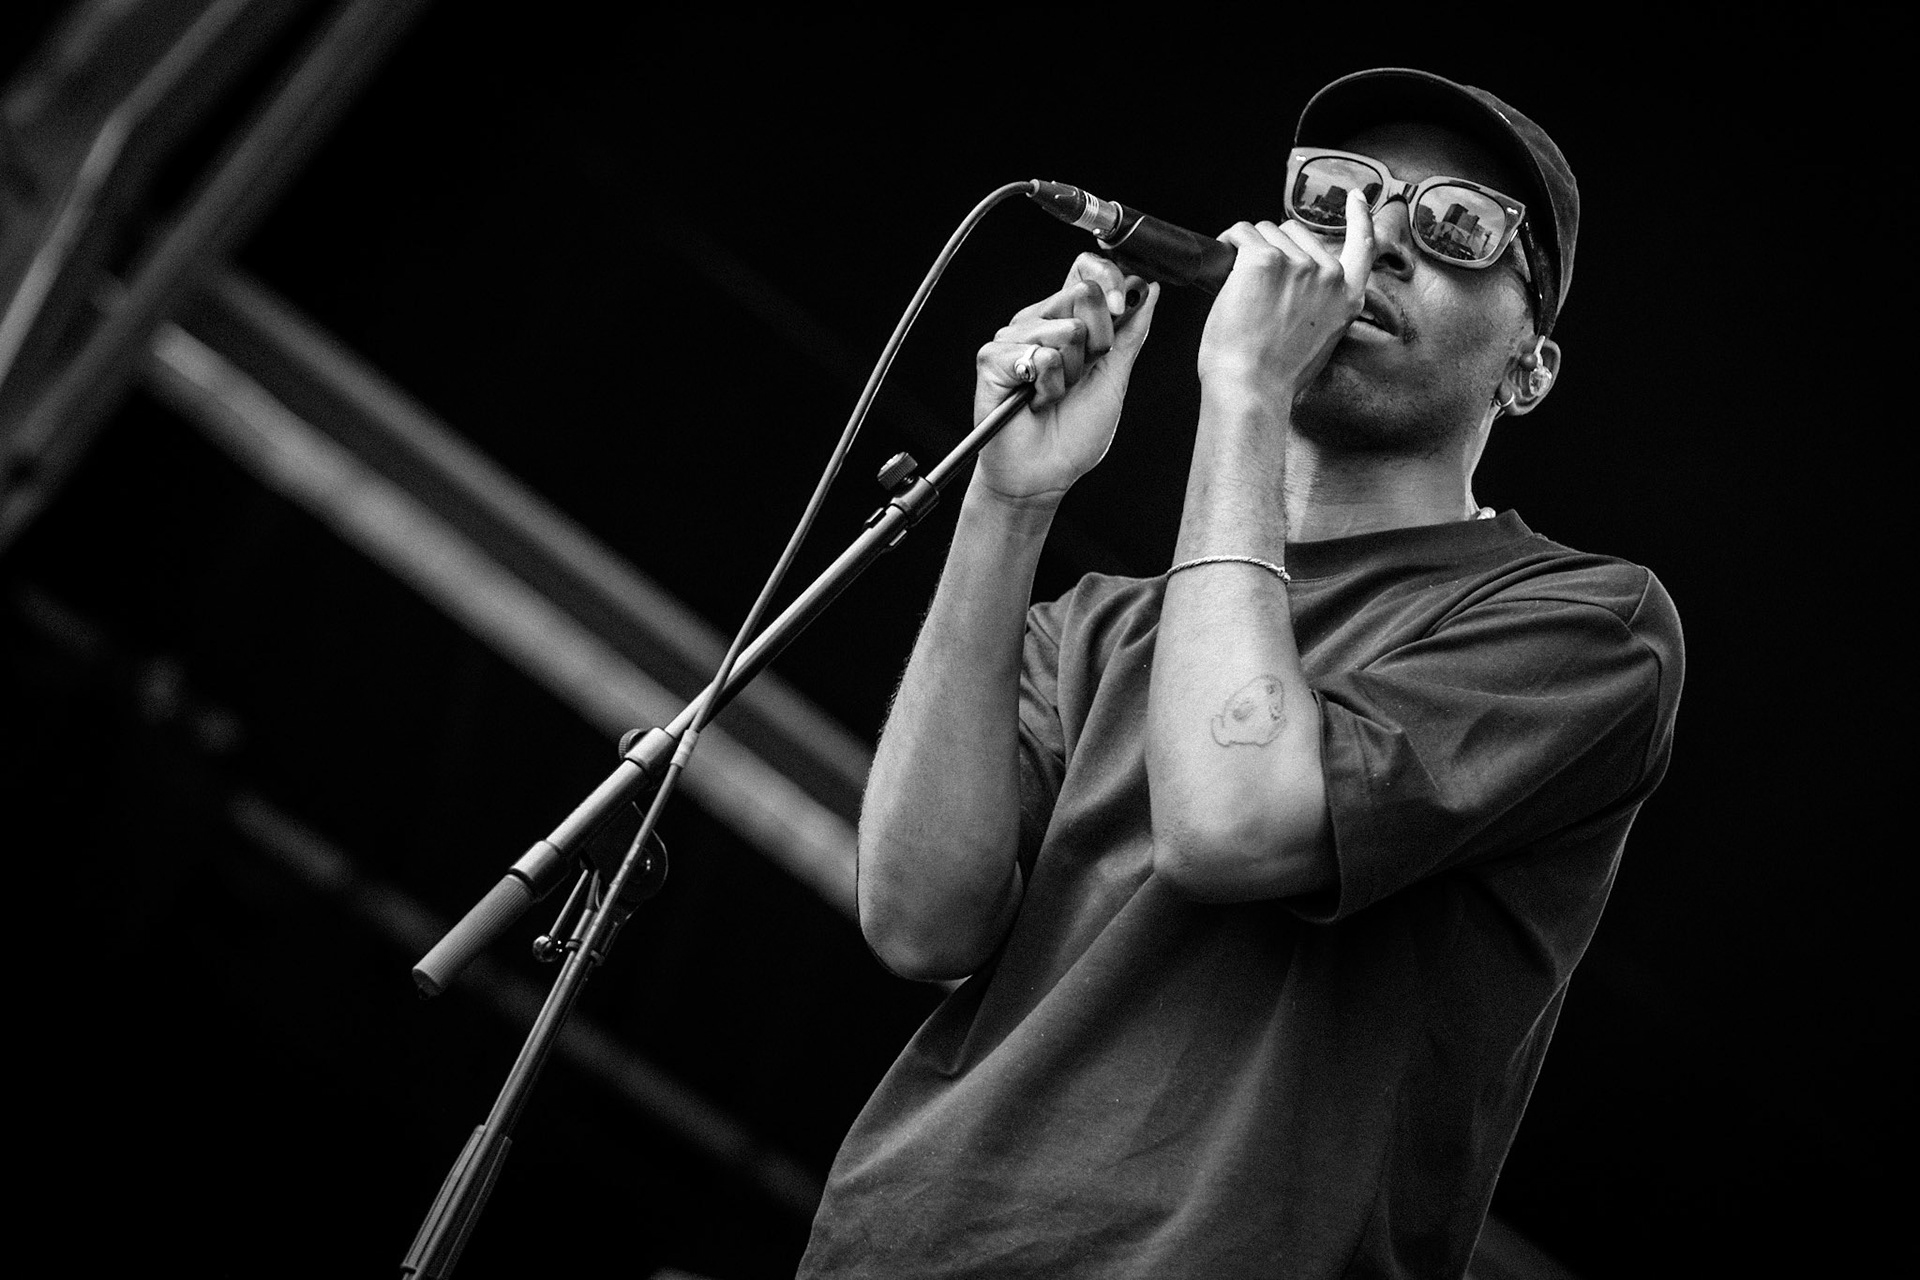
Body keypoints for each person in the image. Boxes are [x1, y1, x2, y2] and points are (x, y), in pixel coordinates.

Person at [796, 68, 1683, 1279]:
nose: (1374, 242)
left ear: (1528, 370)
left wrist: (1248, 391)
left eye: (1456, 226)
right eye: (1336, 197)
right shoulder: (1101, 624)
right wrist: (1010, 500)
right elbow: (918, 917)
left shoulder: (1583, 622)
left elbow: (1228, 822)